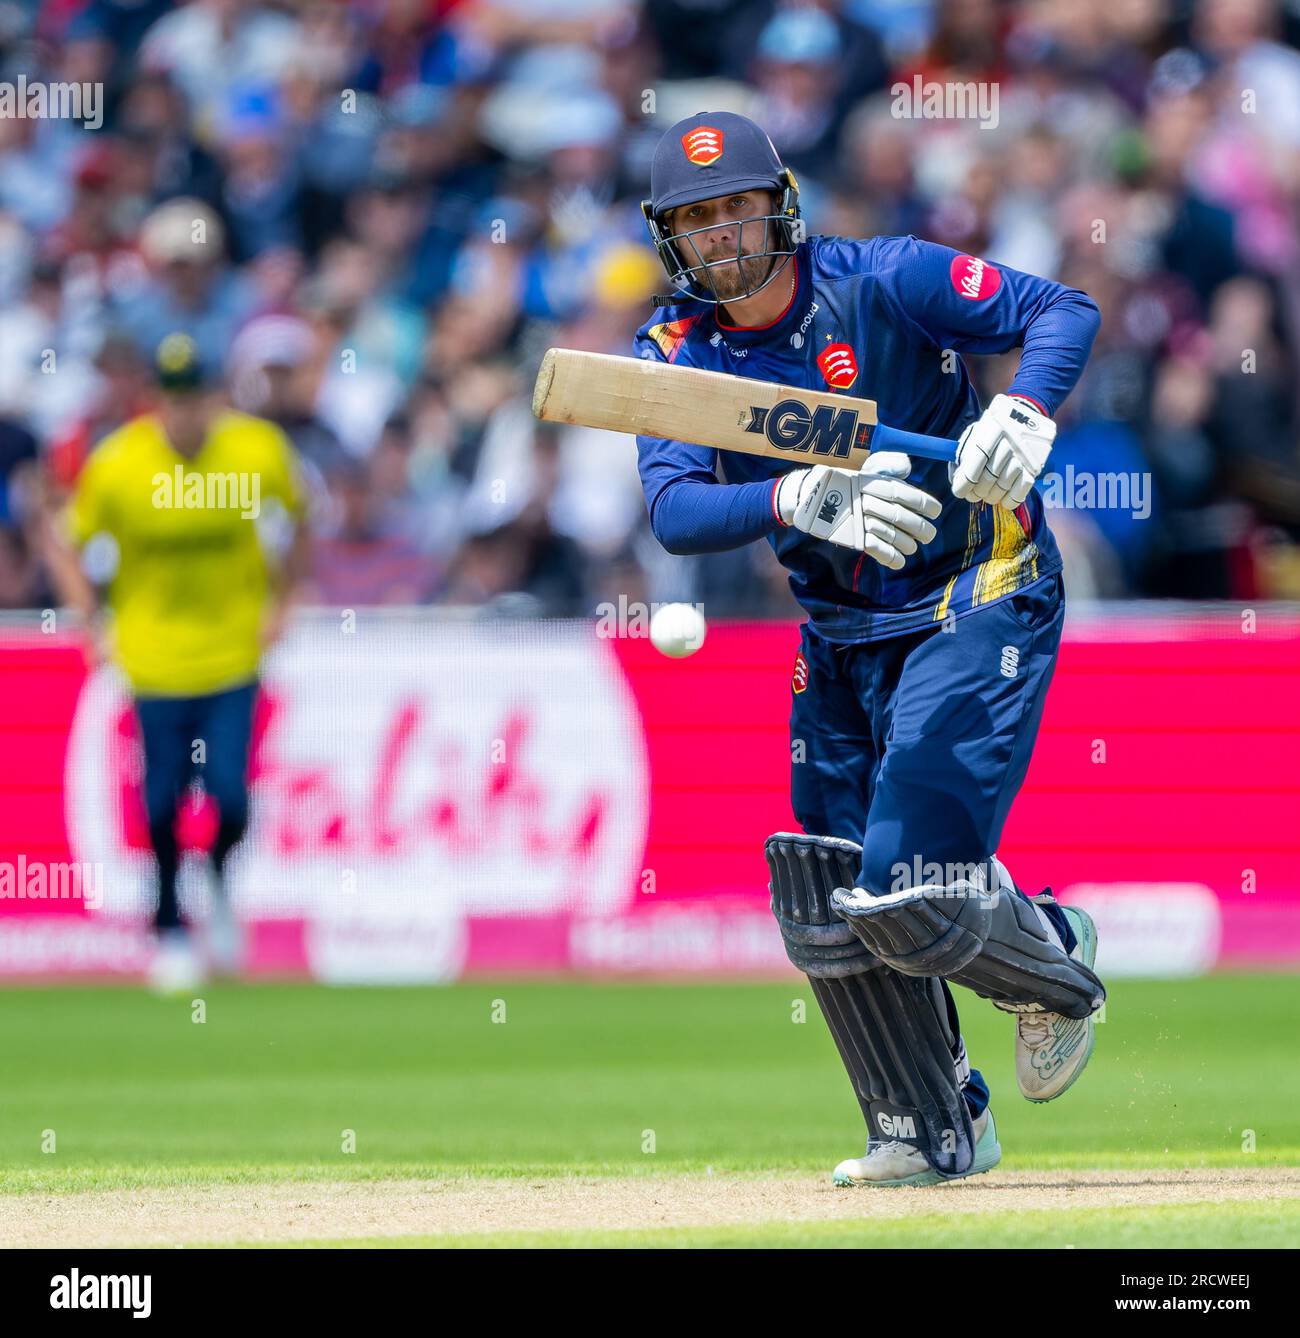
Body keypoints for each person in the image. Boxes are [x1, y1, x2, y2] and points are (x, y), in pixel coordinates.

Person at [635, 112, 1107, 1186]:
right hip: (840, 632)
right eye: (694, 219)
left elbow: (1060, 309)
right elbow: (673, 510)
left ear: (779, 204)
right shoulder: (673, 353)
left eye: (734, 207)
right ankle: (933, 1125)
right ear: (672, 237)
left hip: (976, 591)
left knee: (908, 884)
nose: (720, 234)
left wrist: (1024, 412)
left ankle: (1056, 968)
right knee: (828, 891)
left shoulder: (883, 278)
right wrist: (795, 492)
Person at [51, 333, 309, 991]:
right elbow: (68, 541)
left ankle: (218, 882)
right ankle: (168, 925)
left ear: (212, 398)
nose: (184, 413)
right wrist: (92, 621)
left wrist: (284, 601)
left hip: (230, 656)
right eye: (172, 399)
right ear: (154, 401)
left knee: (230, 795)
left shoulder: (255, 450)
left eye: (193, 398)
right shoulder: (120, 464)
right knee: (161, 800)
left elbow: (303, 519)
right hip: (154, 659)